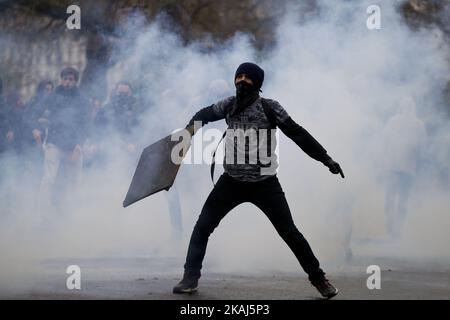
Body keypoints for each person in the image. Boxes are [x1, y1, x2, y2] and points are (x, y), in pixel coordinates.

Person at [173, 62, 344, 299]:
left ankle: (318, 279)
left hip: (264, 184)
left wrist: (325, 158)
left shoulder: (270, 107)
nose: (242, 81)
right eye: (239, 76)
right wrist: (187, 133)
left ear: (258, 83)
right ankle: (190, 278)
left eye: (248, 77)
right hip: (230, 182)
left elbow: (298, 133)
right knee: (202, 227)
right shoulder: (228, 105)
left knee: (290, 233)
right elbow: (202, 115)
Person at [39, 67, 89, 209]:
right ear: (61, 80)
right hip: (54, 143)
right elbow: (36, 110)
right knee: (48, 178)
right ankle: (42, 210)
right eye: (65, 79)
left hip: (74, 145)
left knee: (75, 180)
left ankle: (73, 211)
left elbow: (85, 124)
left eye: (71, 80)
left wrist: (79, 145)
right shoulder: (52, 96)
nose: (67, 82)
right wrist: (37, 126)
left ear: (75, 81)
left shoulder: (82, 99)